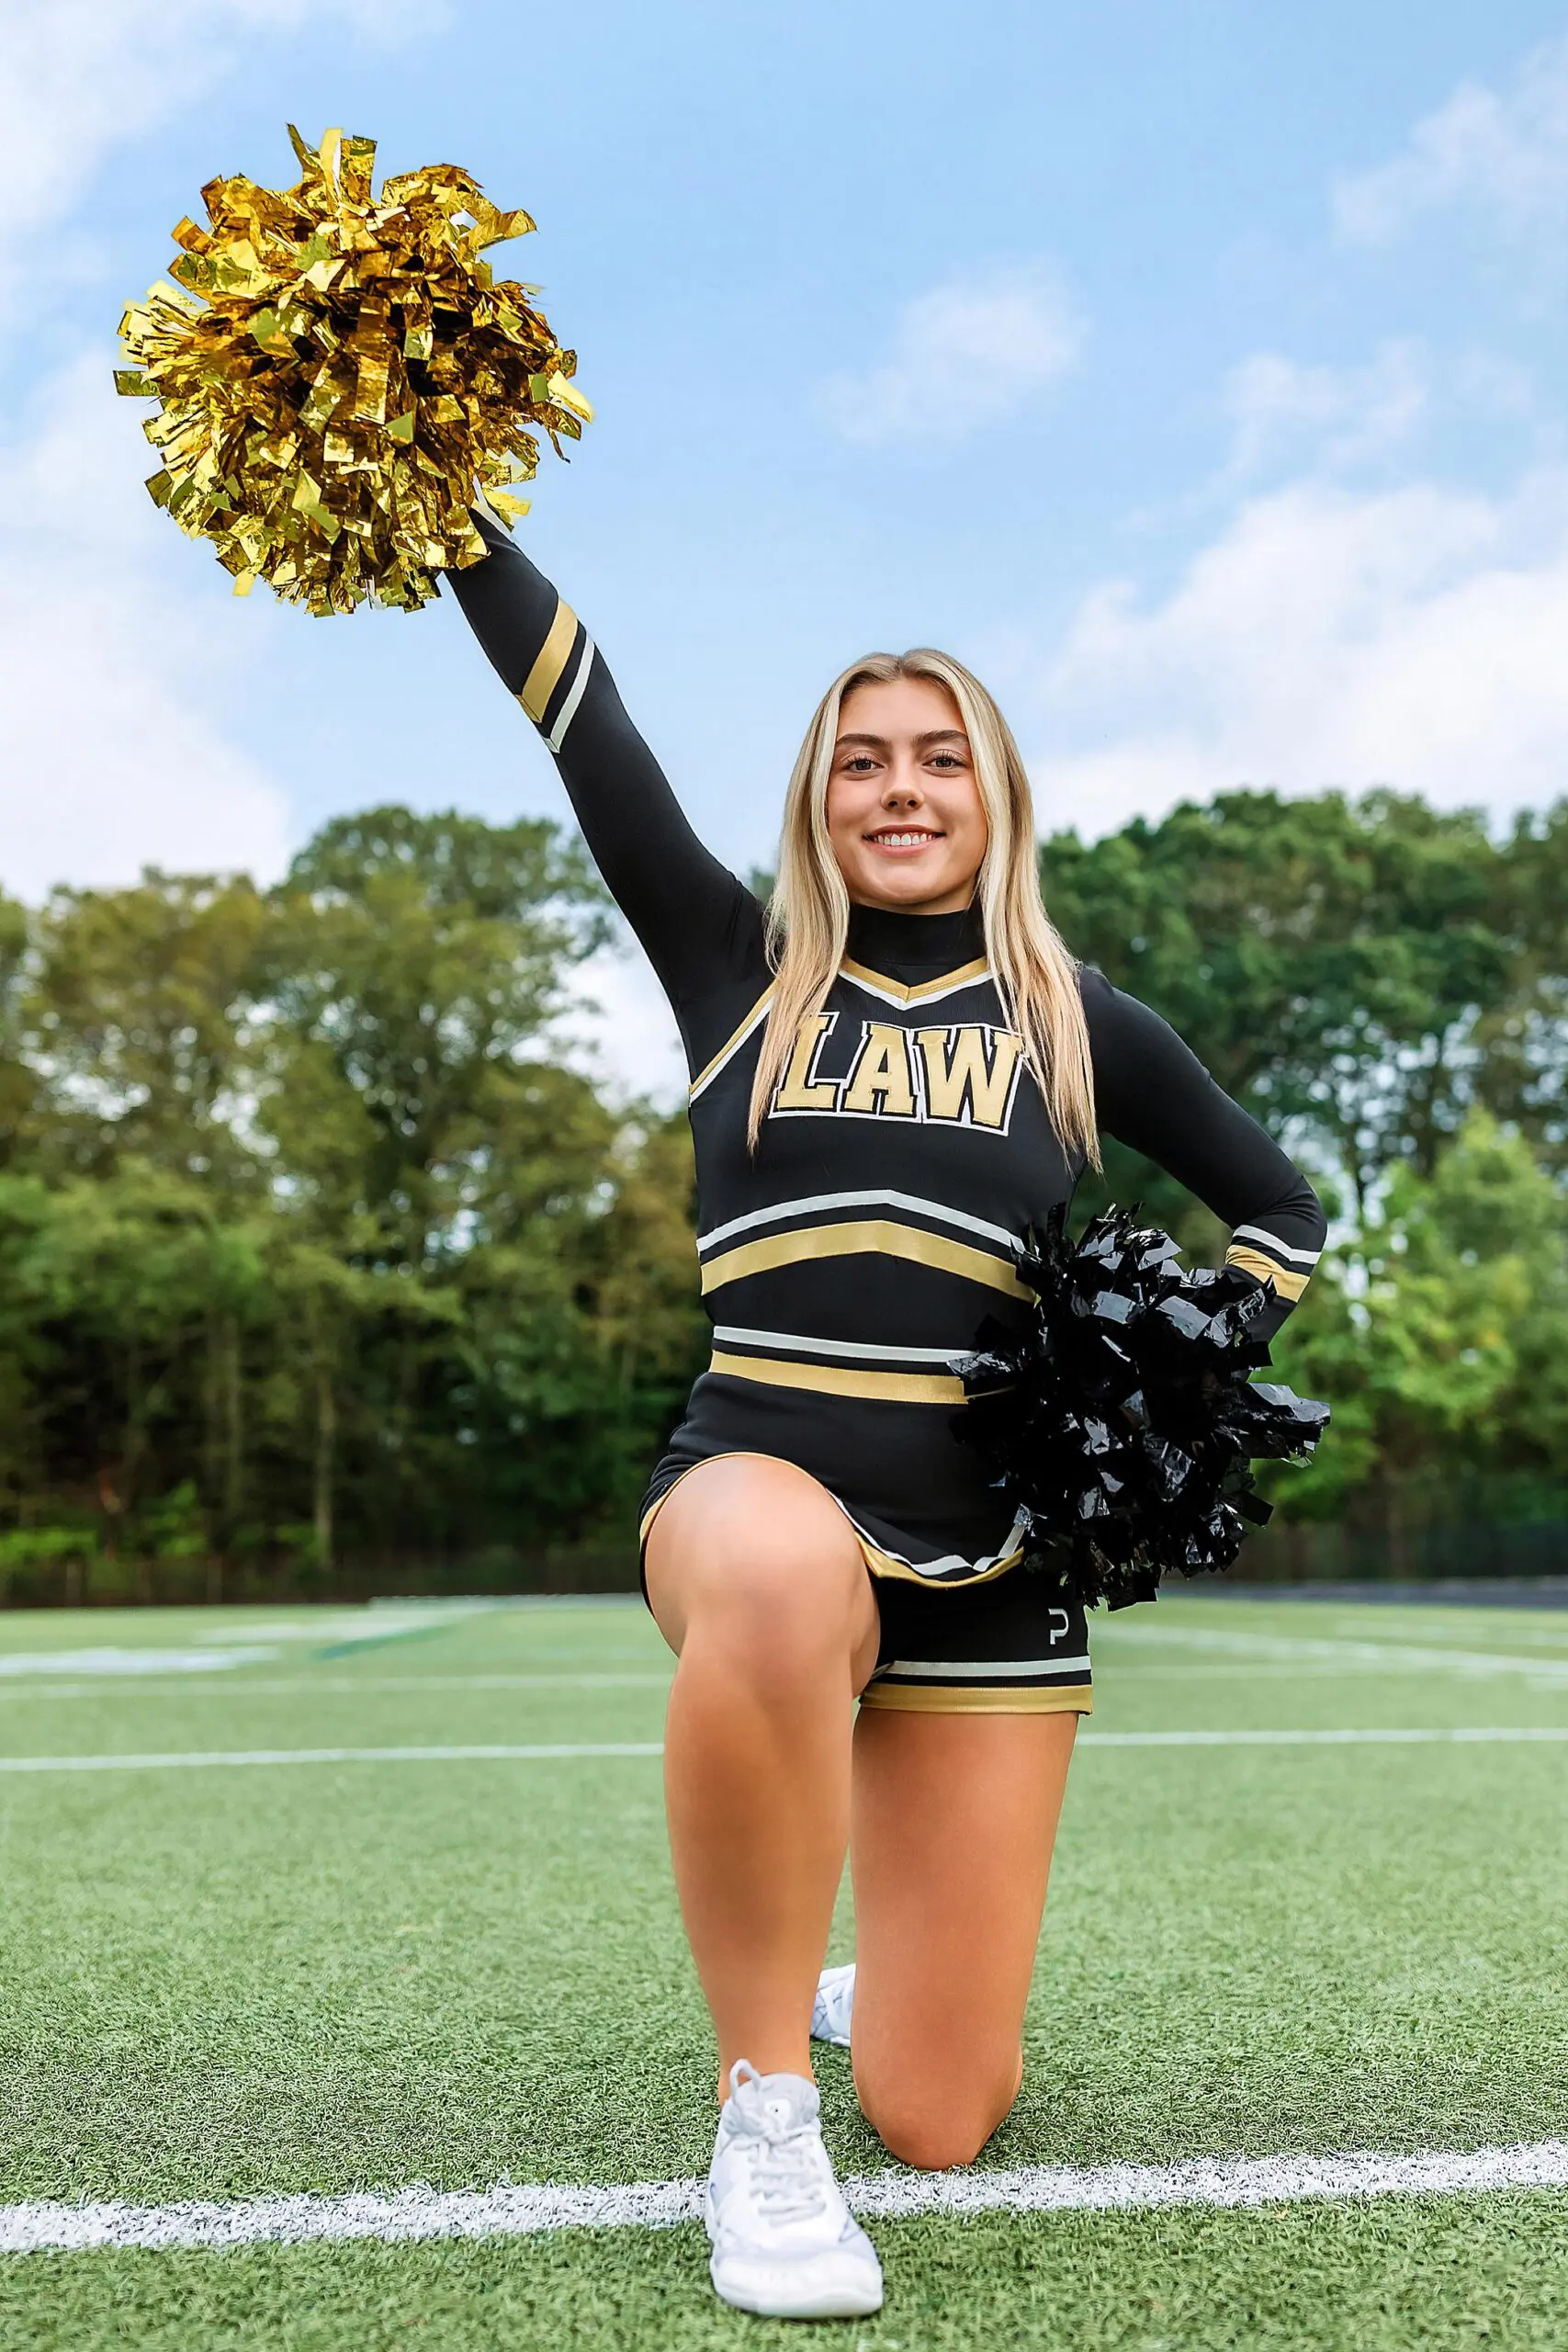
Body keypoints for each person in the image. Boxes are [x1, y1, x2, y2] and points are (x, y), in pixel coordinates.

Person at [448, 504, 1325, 2321]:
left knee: (941, 2111)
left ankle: (866, 1998)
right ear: (817, 798)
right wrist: (450, 514)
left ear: (995, 796)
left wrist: (1173, 1385)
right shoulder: (733, 964)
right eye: (862, 759)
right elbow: (582, 721)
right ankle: (763, 2106)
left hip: (996, 1561)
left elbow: (1281, 1210)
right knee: (774, 1563)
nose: (900, 786)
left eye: (941, 757)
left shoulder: (1076, 1019)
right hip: (754, 1497)